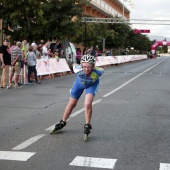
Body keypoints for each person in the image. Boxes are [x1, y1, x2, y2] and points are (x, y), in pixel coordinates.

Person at [50, 54, 104, 139]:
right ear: (81, 66)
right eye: (84, 66)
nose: (86, 69)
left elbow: (101, 69)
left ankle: (87, 125)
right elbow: (74, 64)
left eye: (89, 67)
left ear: (93, 66)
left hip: (91, 85)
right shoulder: (77, 69)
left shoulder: (98, 72)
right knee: (71, 104)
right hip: (79, 84)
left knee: (87, 104)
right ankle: (63, 121)